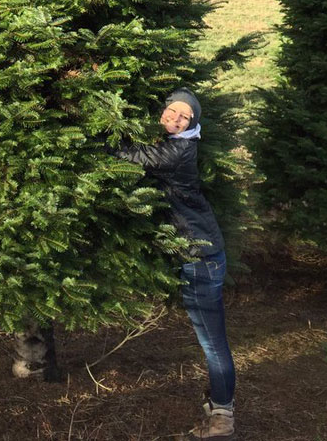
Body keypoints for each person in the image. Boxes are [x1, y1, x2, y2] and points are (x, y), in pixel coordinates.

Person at [117, 88, 236, 440]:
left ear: (193, 122)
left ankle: (223, 416)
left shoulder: (178, 151)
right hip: (203, 253)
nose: (176, 117)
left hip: (201, 258)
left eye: (184, 115)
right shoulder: (177, 141)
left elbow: (129, 156)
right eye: (172, 110)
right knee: (212, 340)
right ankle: (218, 404)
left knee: (213, 343)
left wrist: (96, 135)